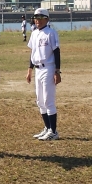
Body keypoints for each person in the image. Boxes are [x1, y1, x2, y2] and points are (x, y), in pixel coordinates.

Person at [26, 8, 61, 141]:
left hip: (49, 68)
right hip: (38, 69)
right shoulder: (34, 33)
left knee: (48, 100)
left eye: (40, 17)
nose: (37, 20)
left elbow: (57, 52)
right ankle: (47, 128)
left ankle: (54, 131)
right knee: (40, 100)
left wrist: (57, 71)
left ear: (46, 19)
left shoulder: (51, 33)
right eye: (35, 17)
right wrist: (29, 70)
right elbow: (33, 53)